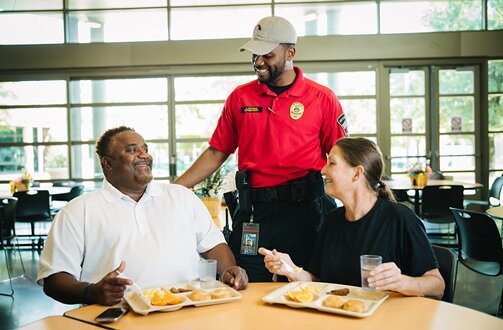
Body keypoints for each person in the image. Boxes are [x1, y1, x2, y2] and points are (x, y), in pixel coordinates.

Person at [173, 16, 347, 282]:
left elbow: (341, 156)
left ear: (290, 53)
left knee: (309, 283)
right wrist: (174, 189)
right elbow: (217, 151)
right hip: (254, 212)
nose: (258, 62)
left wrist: (362, 201)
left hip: (306, 210)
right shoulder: (240, 97)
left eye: (267, 54)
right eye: (255, 54)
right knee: (247, 282)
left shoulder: (321, 98)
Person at [37, 126, 248, 306]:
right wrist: (91, 292)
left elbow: (214, 246)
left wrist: (230, 270)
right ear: (107, 164)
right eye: (132, 150)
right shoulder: (78, 211)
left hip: (187, 308)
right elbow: (54, 279)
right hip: (118, 314)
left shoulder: (182, 197)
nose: (144, 155)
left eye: (145, 149)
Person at [259, 137, 445, 299]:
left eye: (332, 163)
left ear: (357, 173)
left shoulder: (400, 218)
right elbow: (317, 281)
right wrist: (290, 269)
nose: (323, 170)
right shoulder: (331, 221)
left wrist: (401, 282)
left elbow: (437, 285)